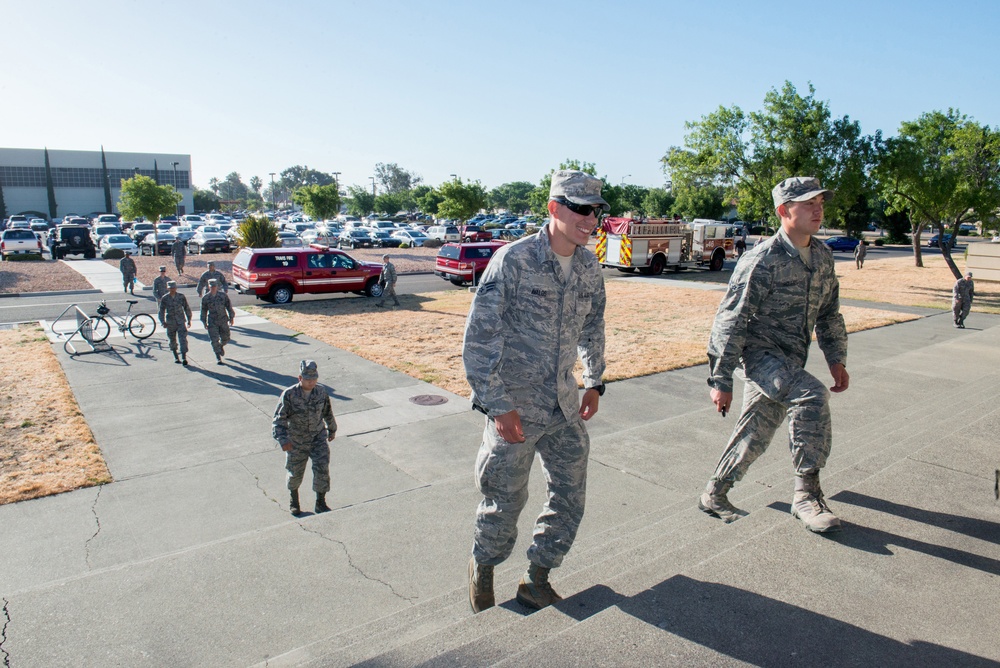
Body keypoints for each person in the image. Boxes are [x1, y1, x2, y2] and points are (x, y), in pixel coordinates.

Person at [464, 169, 607, 613]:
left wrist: (595, 379)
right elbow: (479, 340)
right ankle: (483, 568)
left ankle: (537, 576)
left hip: (563, 404)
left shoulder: (588, 265)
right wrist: (497, 405)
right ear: (554, 208)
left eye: (596, 211)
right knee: (505, 500)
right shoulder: (513, 260)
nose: (590, 220)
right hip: (515, 408)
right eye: (581, 209)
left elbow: (593, 324)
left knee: (570, 495)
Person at [699, 176, 849, 534]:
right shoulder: (762, 259)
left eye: (820, 202)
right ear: (784, 211)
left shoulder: (823, 256)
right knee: (811, 396)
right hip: (760, 355)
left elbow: (829, 313)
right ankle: (806, 496)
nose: (818, 209)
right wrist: (720, 380)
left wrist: (836, 358)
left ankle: (714, 493)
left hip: (791, 358)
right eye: (807, 203)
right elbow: (730, 320)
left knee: (756, 431)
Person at [272, 360, 337, 517]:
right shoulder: (289, 395)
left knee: (322, 469)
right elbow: (278, 420)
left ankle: (320, 502)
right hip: (296, 441)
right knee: (295, 472)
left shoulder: (321, 392)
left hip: (317, 438)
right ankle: (294, 501)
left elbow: (327, 412)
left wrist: (332, 428)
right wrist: (283, 440)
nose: (311, 382)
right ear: (300, 378)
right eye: (308, 379)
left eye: (314, 379)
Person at [200, 278, 235, 365]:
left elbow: (229, 307)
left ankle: (221, 346)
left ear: (217, 286)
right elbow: (203, 311)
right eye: (211, 286)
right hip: (212, 321)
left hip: (223, 320)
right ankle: (218, 357)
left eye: (214, 286)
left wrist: (231, 317)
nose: (213, 288)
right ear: (209, 286)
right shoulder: (206, 298)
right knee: (214, 340)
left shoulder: (223, 296)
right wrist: (204, 322)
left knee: (226, 338)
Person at [158, 280, 192, 365]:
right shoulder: (165, 298)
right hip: (170, 323)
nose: (172, 290)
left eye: (173, 288)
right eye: (170, 288)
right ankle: (176, 356)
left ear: (176, 288)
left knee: (183, 340)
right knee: (172, 340)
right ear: (168, 288)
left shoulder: (181, 297)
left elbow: (186, 308)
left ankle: (184, 357)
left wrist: (189, 319)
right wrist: (162, 322)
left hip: (180, 322)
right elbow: (161, 311)